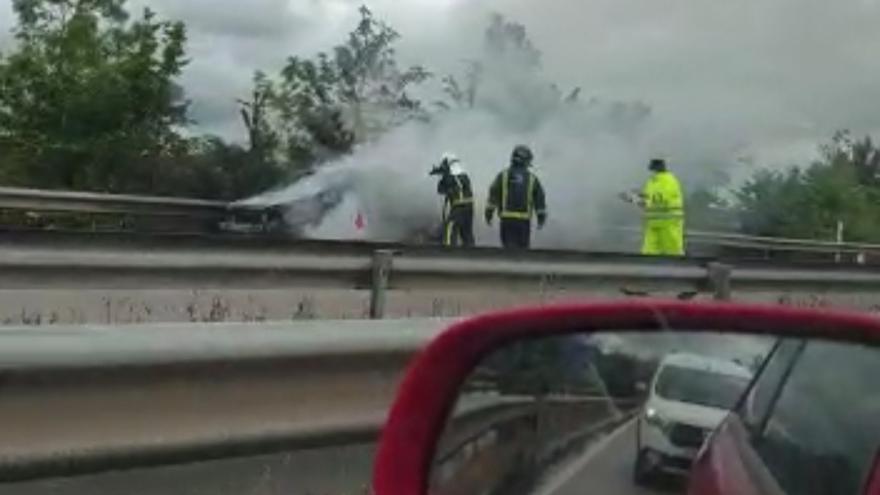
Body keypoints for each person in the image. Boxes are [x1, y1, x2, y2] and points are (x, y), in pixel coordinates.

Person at [485, 145, 547, 249]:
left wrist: (488, 214)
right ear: (526, 161)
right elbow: (539, 200)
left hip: (507, 221)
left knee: (508, 250)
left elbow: (493, 195)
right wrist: (541, 218)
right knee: (523, 251)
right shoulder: (533, 179)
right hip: (524, 222)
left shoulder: (502, 176)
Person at [623, 158, 685, 256]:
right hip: (653, 224)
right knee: (649, 255)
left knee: (673, 255)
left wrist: (633, 199)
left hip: (668, 225)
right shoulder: (652, 181)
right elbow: (649, 196)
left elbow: (656, 201)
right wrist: (636, 194)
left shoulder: (669, 181)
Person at [430, 152, 475, 247]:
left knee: (449, 229)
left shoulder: (451, 177)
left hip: (459, 207)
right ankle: (471, 254)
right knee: (467, 233)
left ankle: (449, 254)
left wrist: (441, 173)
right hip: (469, 208)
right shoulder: (464, 175)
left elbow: (440, 189)